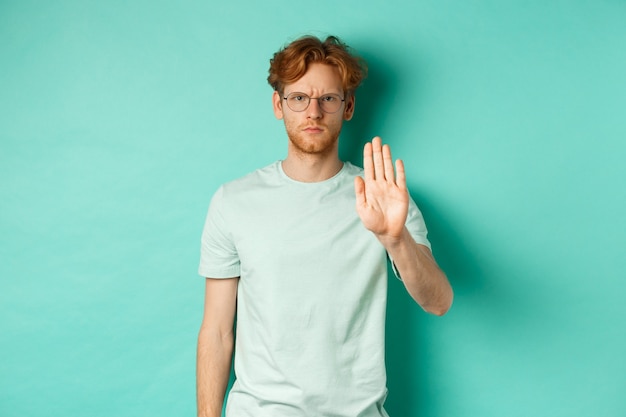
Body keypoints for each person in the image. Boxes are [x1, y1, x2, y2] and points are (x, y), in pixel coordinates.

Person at [196, 35, 453, 417]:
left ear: (347, 107)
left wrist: (394, 238)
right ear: (278, 105)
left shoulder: (384, 199)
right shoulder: (233, 201)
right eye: (298, 98)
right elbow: (217, 331)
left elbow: (439, 302)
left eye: (328, 99)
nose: (313, 112)